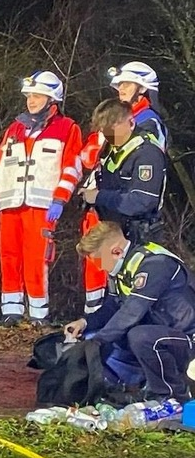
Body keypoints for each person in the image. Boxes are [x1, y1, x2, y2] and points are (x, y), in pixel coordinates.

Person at [0, 71, 82, 326]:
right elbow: (0, 166)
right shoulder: (14, 128)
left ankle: (38, 314)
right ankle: (11, 311)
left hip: (41, 206)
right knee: (9, 256)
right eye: (29, 96)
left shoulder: (67, 128)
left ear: (51, 99)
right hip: (10, 204)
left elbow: (72, 167)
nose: (31, 101)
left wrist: (60, 199)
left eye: (37, 96)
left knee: (37, 259)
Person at [64, 221, 195, 401]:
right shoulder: (121, 267)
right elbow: (113, 307)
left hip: (188, 338)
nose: (99, 267)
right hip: (164, 333)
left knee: (138, 336)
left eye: (98, 260)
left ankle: (172, 396)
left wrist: (97, 342)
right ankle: (124, 385)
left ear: (116, 251)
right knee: (92, 336)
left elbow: (132, 311)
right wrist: (85, 322)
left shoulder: (155, 264)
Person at [79, 63, 169, 312]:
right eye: (119, 84)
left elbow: (142, 193)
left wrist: (101, 196)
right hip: (116, 218)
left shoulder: (148, 123)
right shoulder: (117, 125)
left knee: (138, 293)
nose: (121, 88)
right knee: (116, 291)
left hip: (137, 224)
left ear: (143, 88)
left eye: (127, 84)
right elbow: (92, 160)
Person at [80, 98, 167, 249]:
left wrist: (99, 196)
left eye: (112, 128)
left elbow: (142, 201)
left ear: (130, 123)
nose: (108, 134)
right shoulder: (113, 149)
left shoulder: (147, 153)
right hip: (113, 232)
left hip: (138, 238)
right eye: (104, 130)